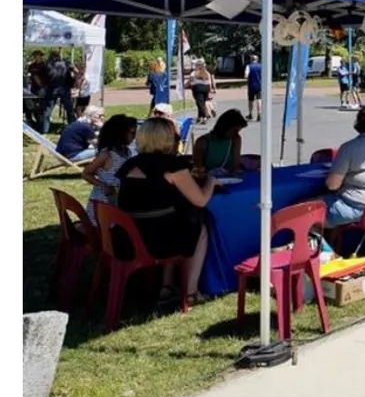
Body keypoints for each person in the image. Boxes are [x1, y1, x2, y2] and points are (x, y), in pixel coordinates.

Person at [114, 117, 213, 304]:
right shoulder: (172, 166)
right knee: (199, 228)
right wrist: (211, 182)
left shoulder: (129, 165)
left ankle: (166, 286)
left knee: (173, 220)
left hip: (125, 238)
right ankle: (191, 291)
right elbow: (201, 200)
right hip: (157, 241)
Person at [82, 114, 138, 222]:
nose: (134, 136)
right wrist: (102, 185)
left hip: (119, 199)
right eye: (132, 133)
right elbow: (86, 173)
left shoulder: (127, 151)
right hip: (104, 201)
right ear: (120, 133)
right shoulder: (107, 154)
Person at [192, 109, 248, 177]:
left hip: (229, 178)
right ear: (225, 127)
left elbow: (236, 165)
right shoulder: (202, 142)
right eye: (235, 130)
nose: (236, 134)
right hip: (207, 180)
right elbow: (199, 169)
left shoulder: (235, 139)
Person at [41, 50, 76, 132]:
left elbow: (44, 75)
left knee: (48, 111)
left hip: (52, 89)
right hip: (64, 89)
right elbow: (74, 70)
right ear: (59, 56)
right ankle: (72, 128)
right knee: (69, 110)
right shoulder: (65, 63)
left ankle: (45, 130)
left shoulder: (48, 64)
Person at [187, 59, 217, 124]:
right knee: (202, 102)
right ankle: (199, 116)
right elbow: (209, 82)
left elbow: (190, 80)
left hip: (197, 88)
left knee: (200, 103)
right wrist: (210, 90)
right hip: (206, 88)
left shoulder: (194, 73)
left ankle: (205, 116)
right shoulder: (207, 73)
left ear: (197, 66)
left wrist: (185, 85)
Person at [244, 55, 262, 121]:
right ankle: (259, 114)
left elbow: (246, 75)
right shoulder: (261, 66)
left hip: (251, 85)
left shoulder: (248, 66)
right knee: (259, 99)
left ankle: (250, 114)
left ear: (251, 59)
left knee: (250, 100)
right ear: (257, 59)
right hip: (259, 85)